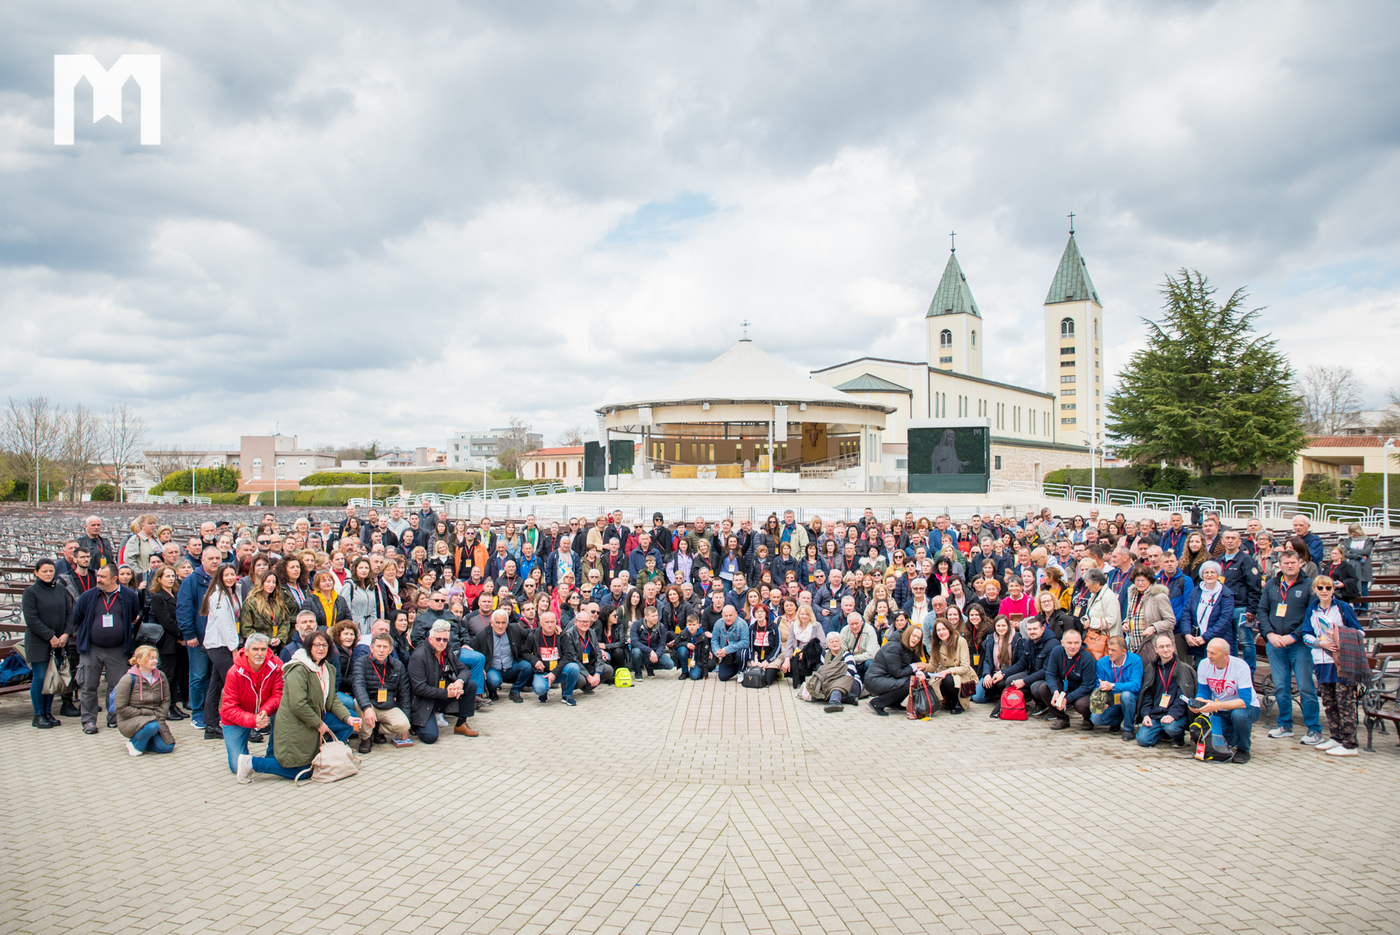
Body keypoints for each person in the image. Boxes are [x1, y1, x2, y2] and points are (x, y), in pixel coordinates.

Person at [236, 629, 361, 781]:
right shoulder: (298, 669)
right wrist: (319, 724)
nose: (321, 648)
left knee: (350, 720)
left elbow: (332, 699)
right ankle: (251, 763)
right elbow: (298, 704)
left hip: (316, 714)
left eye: (324, 645)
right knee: (302, 773)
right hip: (296, 721)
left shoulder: (328, 669)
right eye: (316, 645)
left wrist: (347, 718)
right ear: (308, 647)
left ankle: (322, 756)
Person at [1257, 550, 1322, 745]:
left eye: (1293, 562)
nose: (1290, 566)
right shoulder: (1272, 584)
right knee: (1281, 686)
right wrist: (1269, 634)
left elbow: (1312, 615)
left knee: (1305, 687)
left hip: (1299, 645)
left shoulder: (1309, 585)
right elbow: (1262, 610)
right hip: (1275, 643)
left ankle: (1314, 729)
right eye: (1286, 563)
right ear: (1280, 565)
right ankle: (1285, 725)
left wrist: (1294, 636)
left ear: (1300, 563)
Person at [72, 564, 142, 734]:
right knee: (88, 685)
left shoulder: (129, 595)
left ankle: (114, 718)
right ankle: (88, 721)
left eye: (103, 577)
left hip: (117, 649)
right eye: (98, 576)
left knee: (116, 686)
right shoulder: (88, 596)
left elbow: (133, 616)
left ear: (114, 579)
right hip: (92, 649)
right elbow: (77, 617)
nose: (98, 579)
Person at [1299, 575, 1364, 757]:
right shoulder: (1312, 610)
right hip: (1322, 660)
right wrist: (1321, 643)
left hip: (1342, 661)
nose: (1324, 591)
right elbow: (1306, 634)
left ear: (1333, 590)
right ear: (1315, 590)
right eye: (1320, 588)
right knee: (1328, 701)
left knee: (1345, 701)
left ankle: (1350, 742)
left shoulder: (1343, 608)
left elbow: (1359, 631)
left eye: (1328, 588)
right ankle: (1336, 736)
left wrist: (1339, 636)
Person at [219, 633, 284, 771]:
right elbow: (228, 709)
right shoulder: (234, 672)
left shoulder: (276, 665)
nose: (260, 653)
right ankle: (247, 758)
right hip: (237, 719)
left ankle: (272, 755)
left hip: (264, 712)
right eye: (255, 649)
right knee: (237, 768)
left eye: (263, 649)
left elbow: (279, 693)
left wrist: (264, 711)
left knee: (283, 711)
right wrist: (253, 720)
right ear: (246, 651)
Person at [22, 558, 74, 729]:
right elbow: (32, 619)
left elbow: (69, 613)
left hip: (59, 642)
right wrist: (50, 636)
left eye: (51, 571)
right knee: (40, 678)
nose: (48, 574)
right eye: (44, 571)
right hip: (39, 642)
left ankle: (48, 712)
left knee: (52, 677)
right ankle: (39, 714)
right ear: (36, 572)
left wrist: (66, 634)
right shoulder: (30, 592)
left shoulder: (60, 589)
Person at [1190, 637, 1260, 764]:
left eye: (1213, 653)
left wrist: (1215, 705)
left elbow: (1245, 701)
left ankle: (1244, 749)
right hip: (1220, 709)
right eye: (1208, 652)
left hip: (1246, 708)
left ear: (1225, 655)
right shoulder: (1204, 664)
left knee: (1238, 716)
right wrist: (1198, 703)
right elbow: (1203, 692)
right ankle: (1235, 737)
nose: (1209, 656)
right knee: (1218, 745)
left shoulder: (1240, 666)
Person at [407, 620, 478, 739]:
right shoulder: (418, 656)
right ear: (430, 639)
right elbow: (419, 688)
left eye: (444, 640)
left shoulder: (448, 651)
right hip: (424, 700)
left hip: (440, 694)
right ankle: (415, 723)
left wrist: (459, 682)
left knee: (470, 685)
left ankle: (461, 724)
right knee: (430, 737)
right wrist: (446, 693)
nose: (441, 642)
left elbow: (464, 670)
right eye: (438, 639)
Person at [176, 546, 219, 730]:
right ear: (202, 560)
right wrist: (189, 634)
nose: (215, 561)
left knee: (212, 677)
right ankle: (197, 713)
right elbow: (183, 609)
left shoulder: (222, 579)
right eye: (211, 558)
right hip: (199, 639)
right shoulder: (192, 581)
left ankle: (211, 712)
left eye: (218, 558)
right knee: (198, 676)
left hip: (218, 638)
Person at [352, 632, 414, 752]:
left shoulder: (398, 666)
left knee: (403, 725)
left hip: (388, 705)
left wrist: (406, 721)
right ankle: (366, 737)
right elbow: (358, 686)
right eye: (378, 646)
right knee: (357, 703)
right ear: (371, 648)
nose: (381, 650)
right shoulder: (361, 662)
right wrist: (366, 707)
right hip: (370, 704)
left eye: (385, 647)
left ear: (390, 650)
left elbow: (404, 694)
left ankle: (378, 730)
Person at [200, 563, 242, 740]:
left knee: (215, 685)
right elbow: (224, 625)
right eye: (226, 575)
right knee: (233, 685)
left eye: (232, 574)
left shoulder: (232, 593)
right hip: (220, 646)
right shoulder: (218, 596)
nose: (230, 578)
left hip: (226, 645)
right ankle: (237, 723)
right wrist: (233, 648)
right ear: (220, 577)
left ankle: (211, 725)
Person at [1135, 633, 1196, 747]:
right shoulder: (1151, 668)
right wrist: (1146, 714)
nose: (1166, 649)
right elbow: (1147, 694)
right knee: (1143, 740)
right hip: (1157, 713)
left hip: (1176, 715)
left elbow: (1183, 697)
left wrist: (1172, 715)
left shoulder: (1184, 669)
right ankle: (1163, 733)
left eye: (1168, 646)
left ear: (1173, 647)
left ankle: (1177, 736)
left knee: (1172, 728)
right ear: (1156, 650)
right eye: (1162, 647)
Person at [114, 645, 176, 757]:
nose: (155, 661)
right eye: (151, 658)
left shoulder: (161, 676)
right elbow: (120, 708)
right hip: (130, 719)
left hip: (155, 718)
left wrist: (161, 715)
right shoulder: (128, 679)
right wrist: (144, 713)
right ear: (139, 661)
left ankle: (143, 740)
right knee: (151, 727)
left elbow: (166, 699)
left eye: (156, 658)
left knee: (167, 747)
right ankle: (134, 744)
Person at [998, 617, 1060, 716]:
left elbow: (1046, 671)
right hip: (1033, 673)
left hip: (1050, 678)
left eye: (1035, 629)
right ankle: (1027, 701)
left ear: (1042, 629)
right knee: (1010, 680)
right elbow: (1021, 664)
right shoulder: (1029, 642)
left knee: (1035, 687)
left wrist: (1024, 681)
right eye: (1029, 629)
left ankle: (1047, 705)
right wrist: (1003, 673)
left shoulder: (1053, 644)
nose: (1032, 632)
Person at [1036, 628, 1096, 731]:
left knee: (1081, 705)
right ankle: (1062, 718)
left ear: (1081, 643)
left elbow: (1087, 686)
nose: (1073, 646)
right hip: (1065, 686)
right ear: (1062, 643)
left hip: (1082, 691)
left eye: (1076, 643)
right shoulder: (1056, 651)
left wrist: (1067, 698)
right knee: (1043, 688)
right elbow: (1050, 674)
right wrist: (1054, 690)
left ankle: (1087, 719)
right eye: (1069, 643)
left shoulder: (1087, 657)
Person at [472, 608, 533, 702]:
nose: (500, 626)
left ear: (507, 624)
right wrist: (481, 669)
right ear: (492, 623)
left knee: (527, 667)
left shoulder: (514, 629)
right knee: (494, 681)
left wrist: (549, 629)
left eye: (503, 623)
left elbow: (530, 634)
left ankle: (515, 690)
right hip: (493, 668)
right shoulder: (482, 635)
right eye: (497, 622)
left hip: (511, 665)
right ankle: (492, 692)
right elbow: (474, 652)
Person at [1089, 636, 1143, 740]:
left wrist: (1112, 686)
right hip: (1112, 701)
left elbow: (1136, 685)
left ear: (1123, 651)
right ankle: (1116, 721)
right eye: (1109, 649)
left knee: (1126, 695)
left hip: (1130, 701)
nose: (1110, 652)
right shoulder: (1102, 662)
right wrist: (1102, 700)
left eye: (1113, 650)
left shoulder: (1135, 660)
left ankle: (1128, 729)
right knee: (1096, 719)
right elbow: (1097, 684)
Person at [1180, 560, 1234, 663]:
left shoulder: (1226, 594)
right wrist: (1187, 634)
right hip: (1198, 641)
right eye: (1206, 572)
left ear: (1218, 574)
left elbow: (1224, 620)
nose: (1209, 575)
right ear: (1202, 575)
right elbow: (1186, 613)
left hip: (1217, 641)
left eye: (1213, 572)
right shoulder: (1196, 591)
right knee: (1202, 669)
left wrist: (1205, 637)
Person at [865, 626, 926, 716]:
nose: (915, 639)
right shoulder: (894, 646)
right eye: (914, 635)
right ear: (908, 634)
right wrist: (915, 666)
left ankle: (893, 702)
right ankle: (877, 703)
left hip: (887, 678)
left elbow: (917, 663)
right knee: (908, 683)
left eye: (918, 638)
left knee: (912, 680)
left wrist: (920, 673)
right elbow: (897, 673)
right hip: (874, 680)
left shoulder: (910, 646)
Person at [972, 615, 1024, 711]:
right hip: (994, 672)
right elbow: (987, 660)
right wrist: (987, 674)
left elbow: (1020, 663)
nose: (1001, 628)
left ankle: (1003, 695)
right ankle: (994, 694)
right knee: (977, 697)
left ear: (1008, 626)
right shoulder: (991, 638)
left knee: (1001, 683)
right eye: (998, 626)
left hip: (1009, 673)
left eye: (1003, 626)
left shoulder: (1017, 639)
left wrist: (1003, 673)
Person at [803, 631, 861, 713]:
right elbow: (823, 671)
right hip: (830, 682)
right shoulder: (824, 654)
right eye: (832, 642)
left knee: (836, 687)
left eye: (836, 641)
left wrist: (834, 679)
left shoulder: (847, 655)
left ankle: (834, 702)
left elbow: (850, 673)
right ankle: (848, 699)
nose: (834, 644)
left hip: (850, 682)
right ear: (828, 645)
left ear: (840, 643)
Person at [927, 618, 973, 714]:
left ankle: (957, 702)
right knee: (935, 684)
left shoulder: (960, 641)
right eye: (938, 630)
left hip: (961, 673)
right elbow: (933, 665)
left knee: (949, 679)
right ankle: (948, 699)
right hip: (943, 673)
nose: (941, 632)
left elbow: (965, 666)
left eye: (944, 629)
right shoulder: (936, 644)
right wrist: (921, 667)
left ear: (949, 629)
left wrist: (948, 671)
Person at [629, 605, 674, 678]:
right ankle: (638, 672)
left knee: (670, 664)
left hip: (654, 652)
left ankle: (650, 666)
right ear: (646, 617)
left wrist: (656, 655)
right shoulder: (637, 624)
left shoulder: (660, 627)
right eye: (653, 616)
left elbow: (662, 644)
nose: (656, 618)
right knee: (636, 652)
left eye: (656, 615)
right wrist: (650, 651)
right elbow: (634, 642)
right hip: (641, 652)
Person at [710, 604, 750, 682]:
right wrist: (717, 651)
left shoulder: (742, 624)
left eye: (730, 615)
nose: (728, 618)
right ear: (722, 615)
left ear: (735, 614)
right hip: (726, 654)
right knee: (722, 677)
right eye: (726, 616)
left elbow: (745, 642)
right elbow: (714, 640)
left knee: (741, 653)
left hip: (738, 652)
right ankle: (738, 667)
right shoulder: (718, 624)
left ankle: (741, 670)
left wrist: (727, 649)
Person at [1341, 523, 1374, 597]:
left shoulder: (1368, 540)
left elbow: (1366, 551)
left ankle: (1364, 606)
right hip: (1352, 565)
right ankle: (1356, 606)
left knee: (1364, 588)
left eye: (1354, 531)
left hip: (1364, 566)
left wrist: (1352, 550)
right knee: (1354, 587)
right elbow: (1345, 553)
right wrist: (1358, 556)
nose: (1353, 534)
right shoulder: (1348, 540)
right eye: (1351, 532)